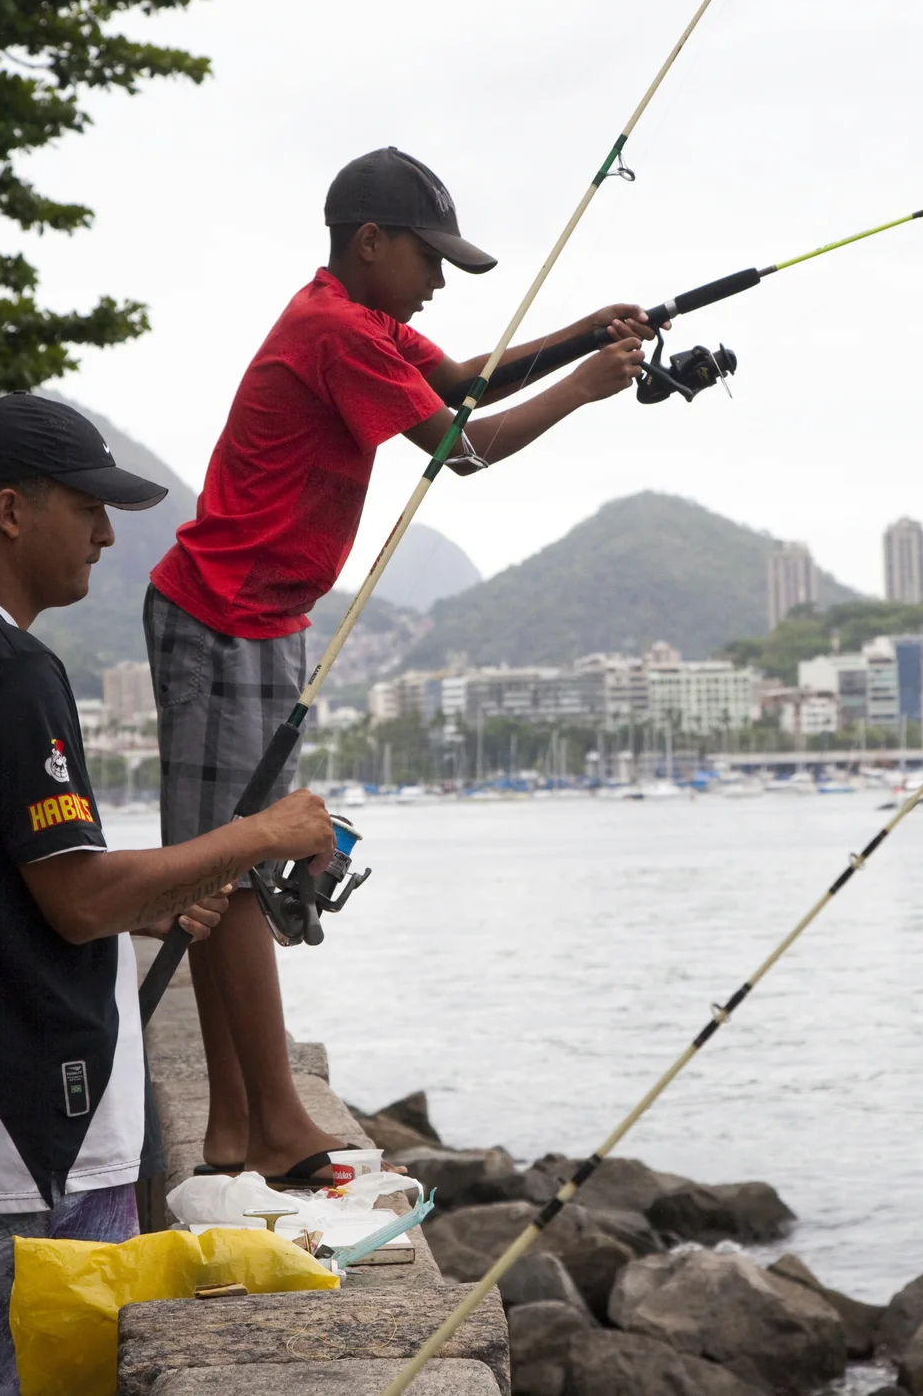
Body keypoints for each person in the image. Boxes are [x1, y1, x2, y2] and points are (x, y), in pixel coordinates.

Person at [145, 146, 648, 1183]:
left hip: (261, 616)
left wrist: (579, 334)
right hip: (220, 612)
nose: (438, 282)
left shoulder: (360, 321)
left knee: (235, 864)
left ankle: (234, 1129)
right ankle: (277, 1122)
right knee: (228, 865)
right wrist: (586, 387)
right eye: (431, 260)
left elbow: (459, 380)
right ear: (370, 242)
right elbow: (464, 445)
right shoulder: (336, 330)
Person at [0, 392, 341, 1395]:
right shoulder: (8, 666)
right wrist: (262, 833)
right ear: (9, 511)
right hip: (27, 1139)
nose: (106, 534)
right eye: (86, 507)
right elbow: (78, 899)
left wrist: (152, 902)